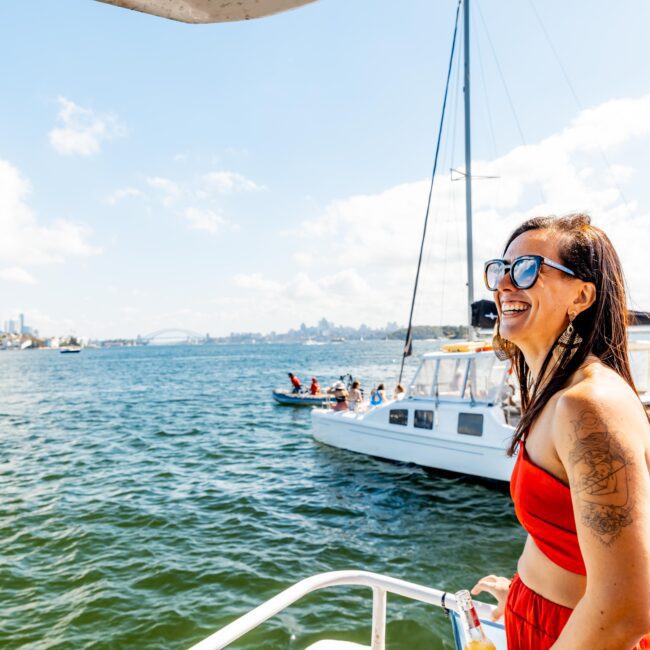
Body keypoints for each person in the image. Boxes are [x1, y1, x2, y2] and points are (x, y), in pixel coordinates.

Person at [471, 214, 650, 649]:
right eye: (500, 269)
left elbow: (629, 604)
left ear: (582, 295)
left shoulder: (588, 405)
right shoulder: (557, 394)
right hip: (542, 619)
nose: (505, 285)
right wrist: (522, 587)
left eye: (527, 269)